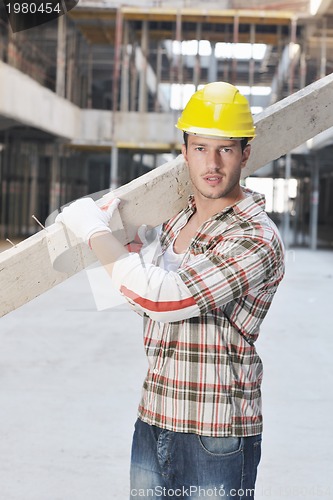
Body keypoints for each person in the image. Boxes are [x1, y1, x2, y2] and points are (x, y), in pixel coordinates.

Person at [56, 82, 285, 499]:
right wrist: (122, 244)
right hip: (155, 417)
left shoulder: (255, 237)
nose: (211, 163)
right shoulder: (177, 223)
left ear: (245, 152)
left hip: (215, 434)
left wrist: (93, 232)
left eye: (225, 149)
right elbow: (140, 299)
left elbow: (165, 298)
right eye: (200, 148)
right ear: (184, 151)